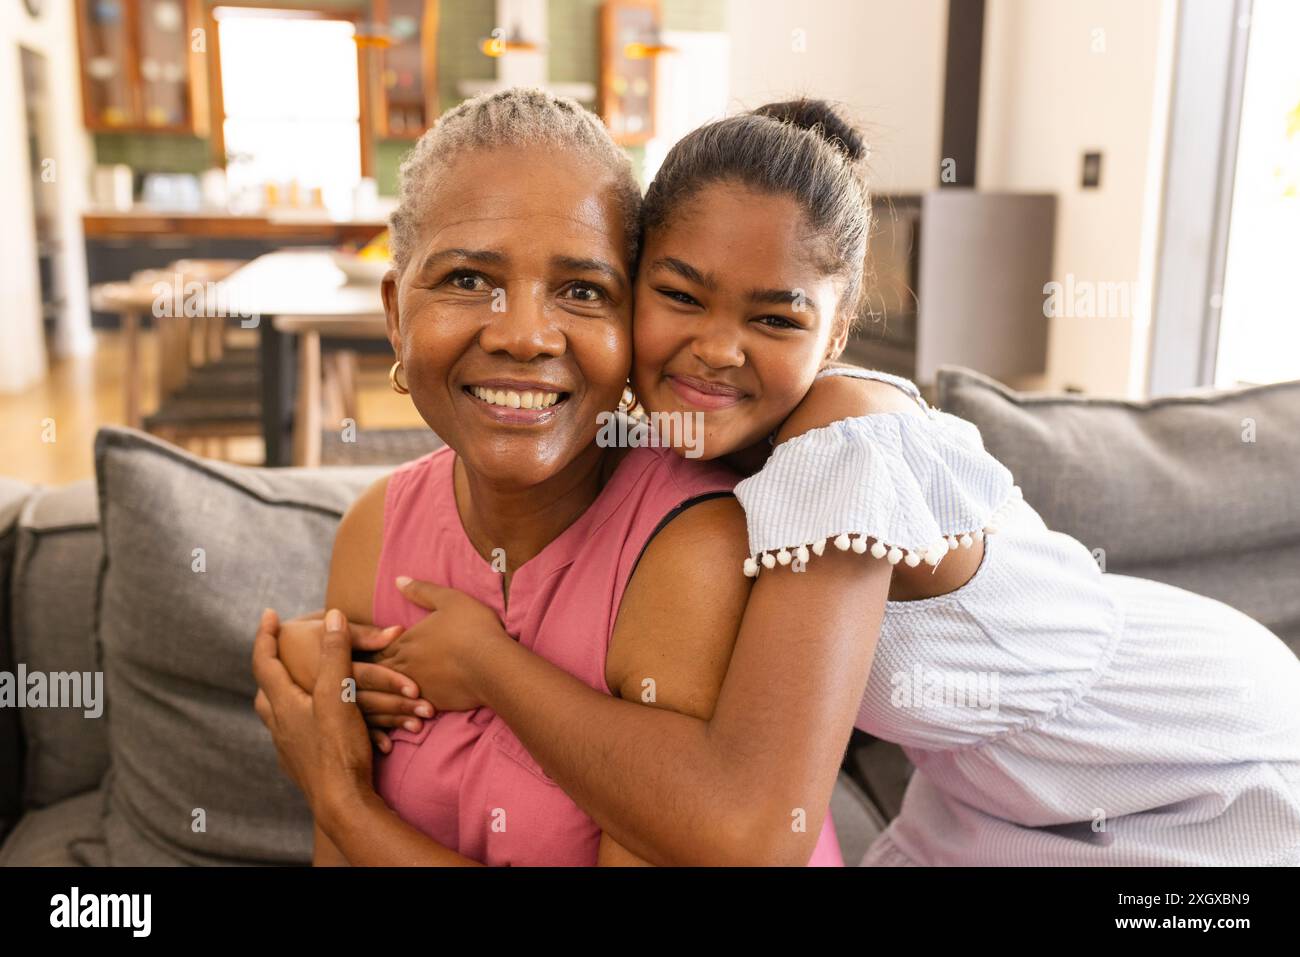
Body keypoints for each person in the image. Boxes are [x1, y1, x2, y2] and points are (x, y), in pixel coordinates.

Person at [366, 99, 1300, 866]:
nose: (717, 347)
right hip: (997, 800)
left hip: (1197, 758)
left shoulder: (848, 444)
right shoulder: (666, 445)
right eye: (681, 295)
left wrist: (489, 664)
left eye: (776, 318)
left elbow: (752, 831)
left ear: (839, 332)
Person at [250, 88, 844, 866]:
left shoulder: (693, 553)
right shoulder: (376, 528)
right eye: (466, 279)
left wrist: (343, 803)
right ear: (397, 315)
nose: (525, 335)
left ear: (631, 327)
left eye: (582, 290)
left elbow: (344, 823)